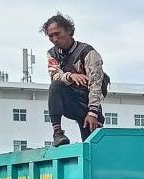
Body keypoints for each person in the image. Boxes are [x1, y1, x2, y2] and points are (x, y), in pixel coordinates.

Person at [42, 13, 108, 146]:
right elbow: (54, 74)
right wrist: (71, 76)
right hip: (69, 101)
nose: (55, 39)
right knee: (55, 86)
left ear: (69, 31)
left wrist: (93, 112)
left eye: (57, 34)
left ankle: (93, 119)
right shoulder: (52, 54)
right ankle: (58, 132)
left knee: (92, 146)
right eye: (51, 36)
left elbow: (96, 84)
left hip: (86, 102)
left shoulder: (88, 52)